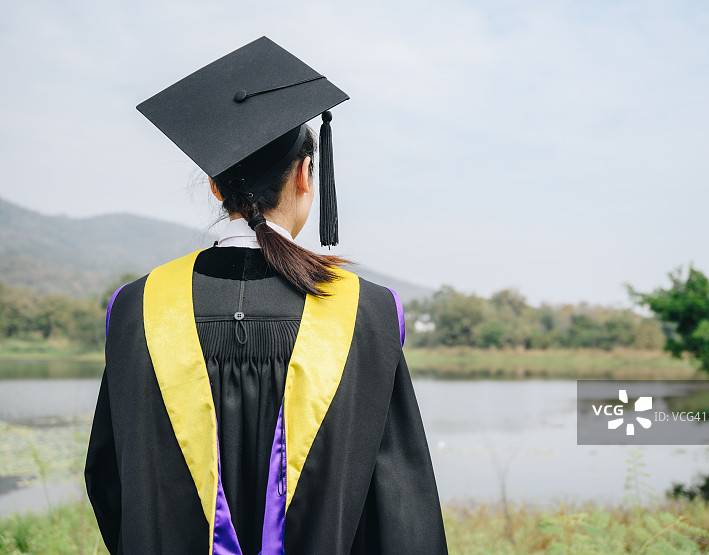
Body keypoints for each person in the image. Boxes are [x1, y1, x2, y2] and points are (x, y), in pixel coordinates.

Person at [84, 36, 448, 555]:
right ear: (305, 174)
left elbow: (108, 477)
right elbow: (398, 504)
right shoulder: (366, 313)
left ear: (215, 186)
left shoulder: (138, 308)